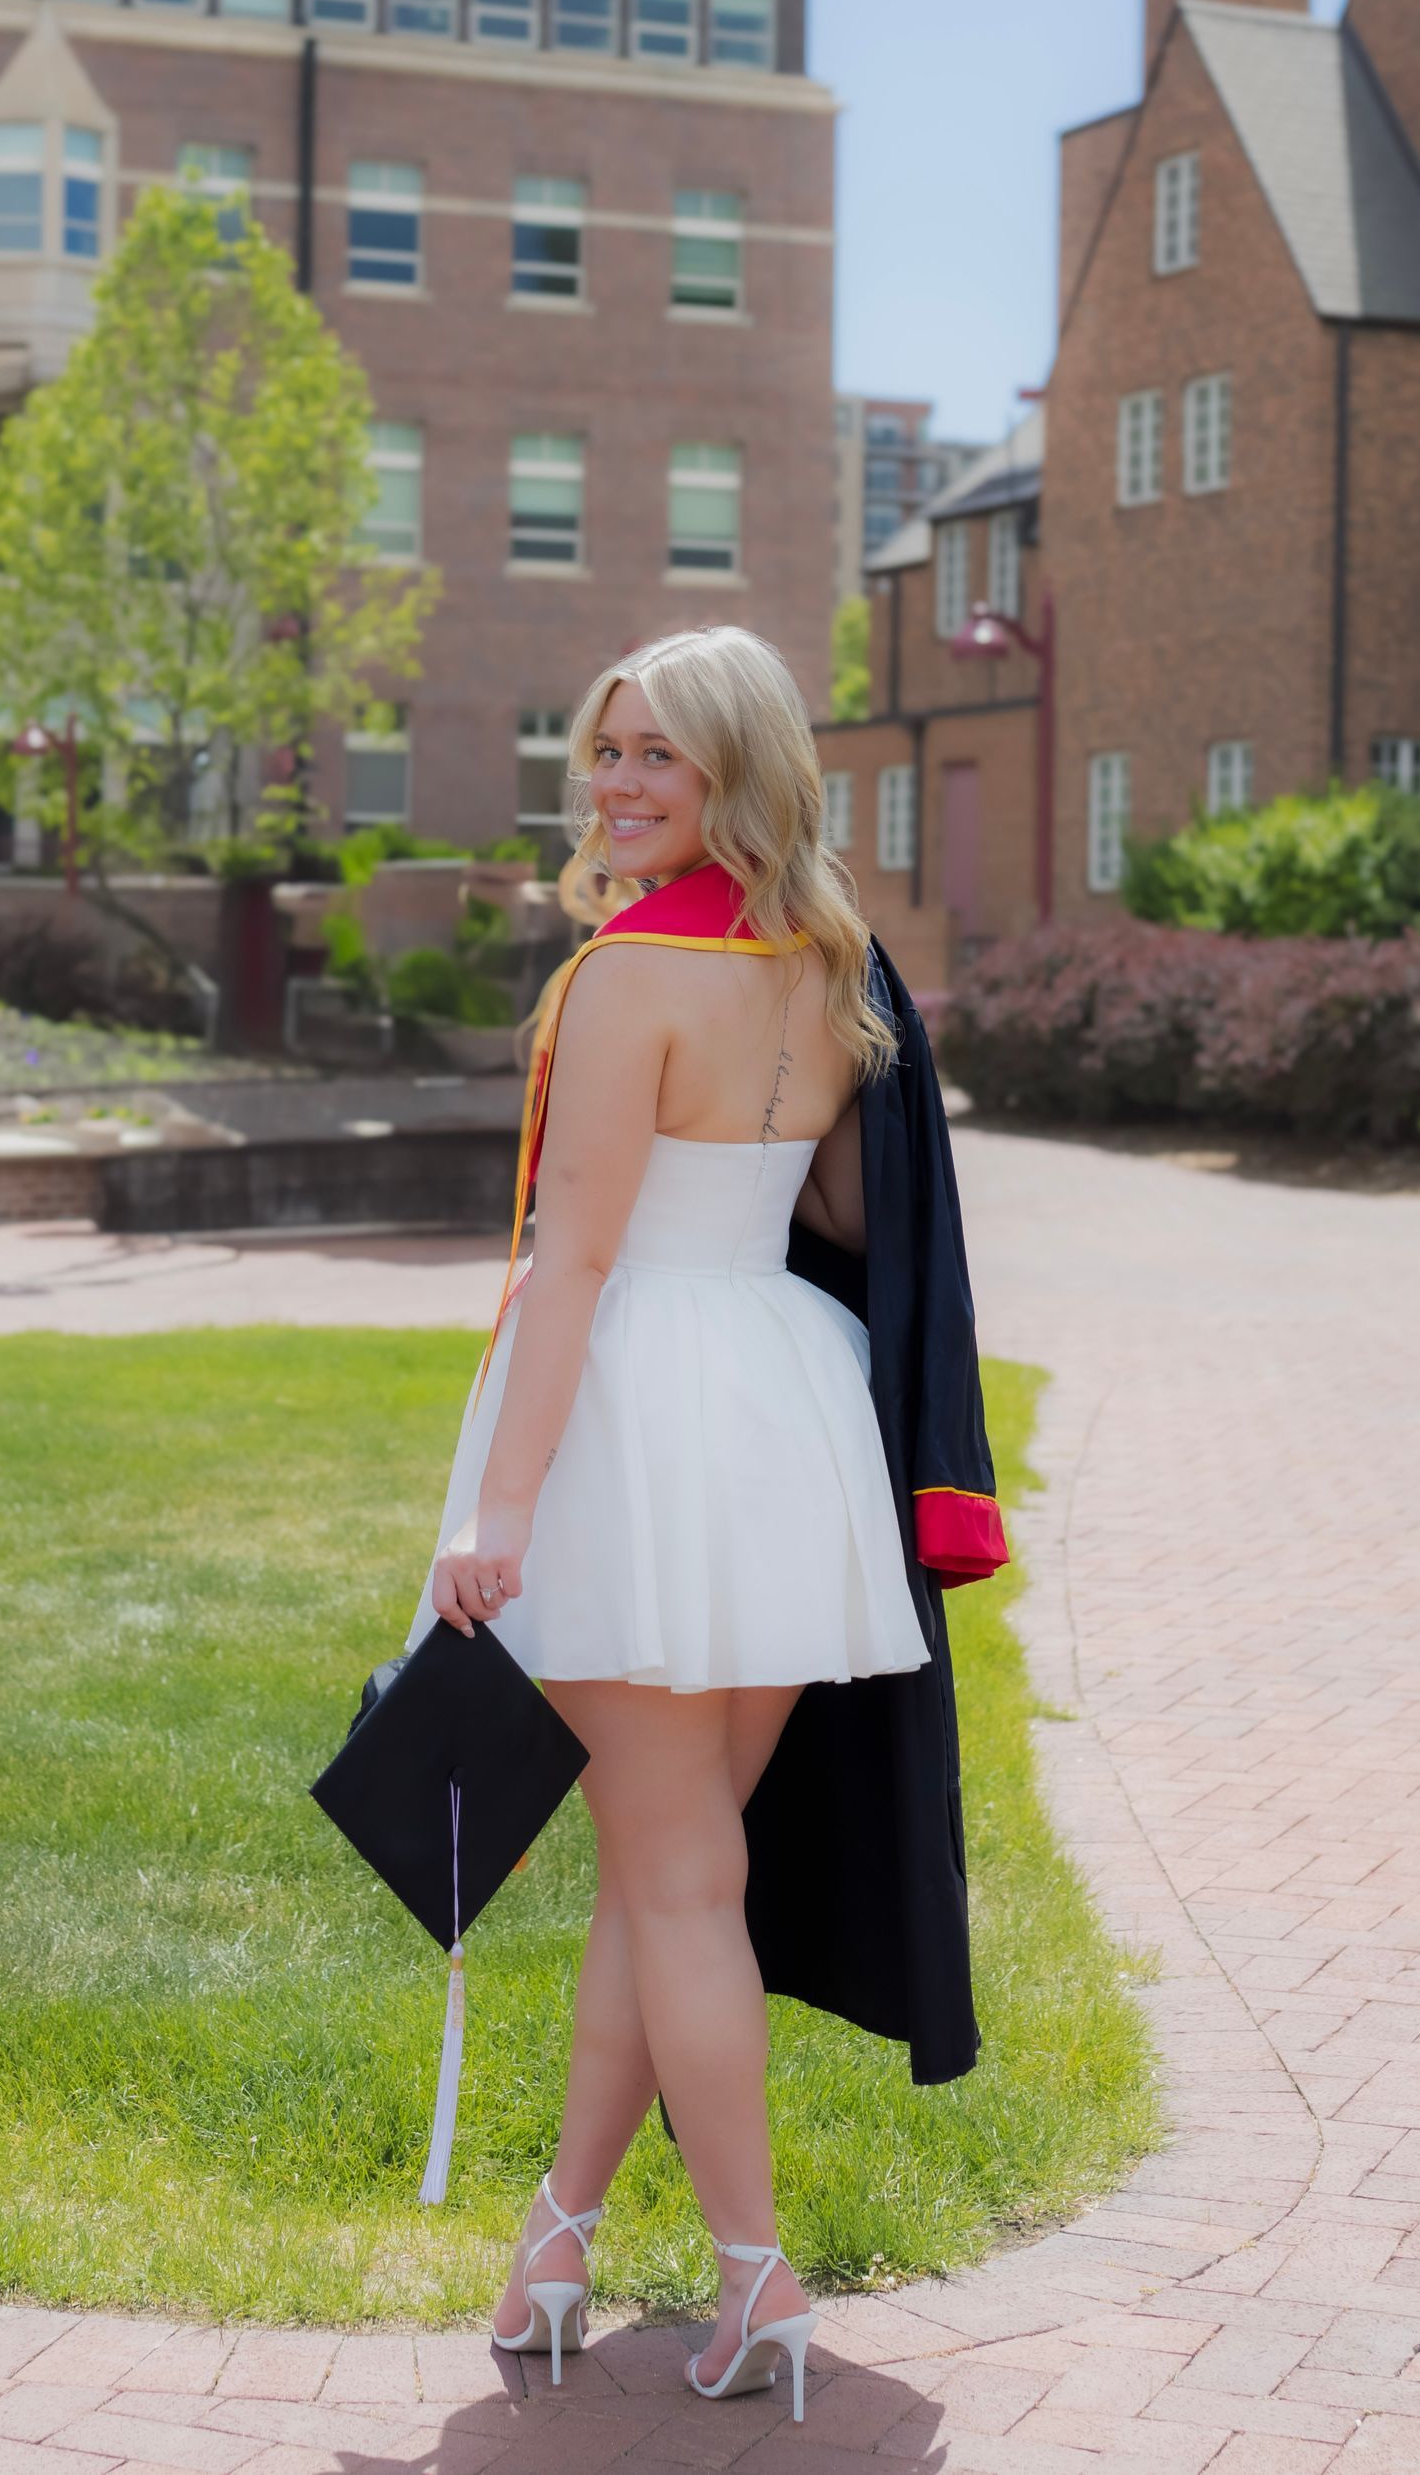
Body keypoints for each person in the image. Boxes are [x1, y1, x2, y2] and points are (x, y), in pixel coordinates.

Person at [404, 624, 1003, 2418]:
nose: (617, 785)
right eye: (604, 754)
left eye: (656, 756)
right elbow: (842, 1205)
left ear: (740, 766)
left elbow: (576, 1259)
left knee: (676, 1874)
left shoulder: (617, 983)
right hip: (780, 1408)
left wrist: (499, 1508)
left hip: (640, 1423)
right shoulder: (835, 967)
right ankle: (561, 2240)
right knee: (662, 1873)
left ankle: (758, 2282)